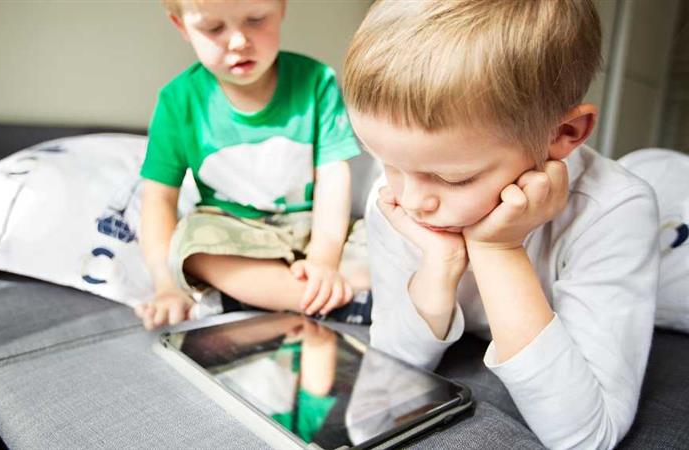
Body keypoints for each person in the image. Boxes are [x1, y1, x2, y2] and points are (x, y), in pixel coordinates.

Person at [342, 1, 659, 448]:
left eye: (453, 177)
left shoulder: (615, 208)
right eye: (387, 162)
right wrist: (439, 265)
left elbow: (587, 435)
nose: (411, 200)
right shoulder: (394, 196)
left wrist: (499, 251)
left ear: (564, 135)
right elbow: (392, 363)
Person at [134, 0, 370, 329]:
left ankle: (261, 296)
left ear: (282, 8)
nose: (238, 41)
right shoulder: (178, 101)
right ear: (182, 26)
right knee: (192, 246)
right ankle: (337, 302)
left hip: (314, 228)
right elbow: (159, 198)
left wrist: (323, 259)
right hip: (236, 233)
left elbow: (333, 176)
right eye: (214, 28)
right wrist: (166, 287)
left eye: (256, 20)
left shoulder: (317, 82)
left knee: (386, 242)